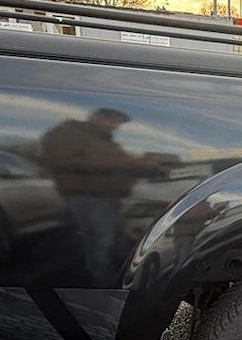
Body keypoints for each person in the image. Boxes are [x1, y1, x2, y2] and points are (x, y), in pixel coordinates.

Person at [40, 108, 158, 281]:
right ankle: (105, 285)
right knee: (100, 243)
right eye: (114, 121)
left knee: (115, 240)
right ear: (98, 117)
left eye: (118, 123)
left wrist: (142, 166)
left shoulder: (107, 142)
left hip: (109, 197)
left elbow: (118, 167)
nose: (115, 127)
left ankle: (125, 278)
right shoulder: (69, 132)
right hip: (88, 197)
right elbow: (64, 160)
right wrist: (126, 162)